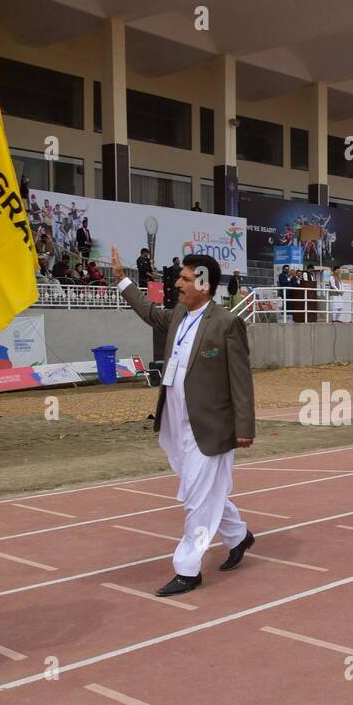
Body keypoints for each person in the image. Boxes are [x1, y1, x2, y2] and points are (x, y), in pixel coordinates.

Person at [113, 246, 256, 596]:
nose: (178, 283)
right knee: (203, 491)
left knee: (196, 496)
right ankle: (238, 536)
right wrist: (122, 281)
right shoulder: (178, 314)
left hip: (211, 426)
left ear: (204, 285)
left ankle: (188, 569)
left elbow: (240, 379)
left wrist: (244, 427)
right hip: (176, 421)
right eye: (181, 277)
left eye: (186, 278)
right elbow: (149, 313)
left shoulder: (226, 323)